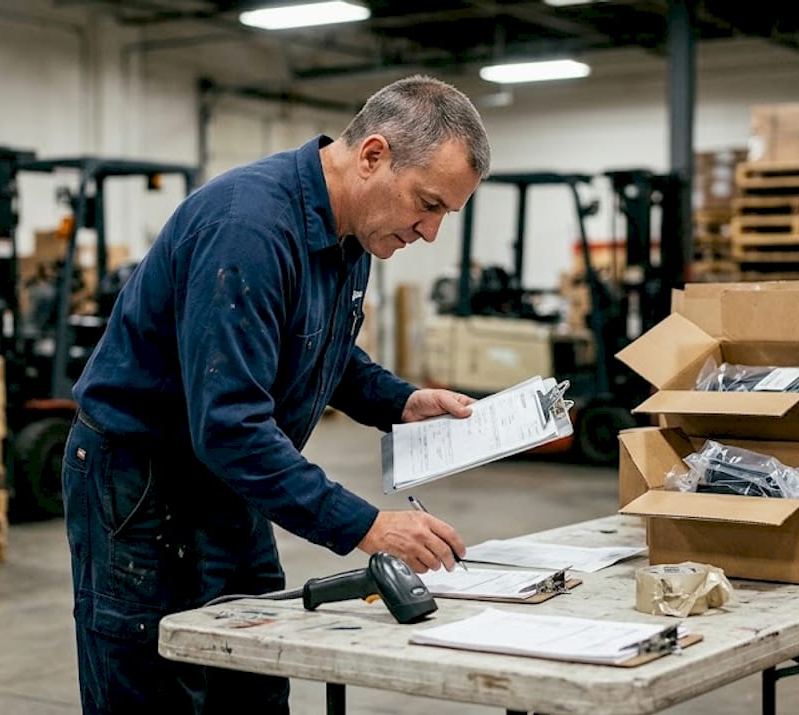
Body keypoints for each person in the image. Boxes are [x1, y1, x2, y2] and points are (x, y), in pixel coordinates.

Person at [62, 74, 491, 713]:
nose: (429, 232)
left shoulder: (356, 233)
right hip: (143, 490)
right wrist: (367, 526)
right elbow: (230, 424)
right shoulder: (250, 228)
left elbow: (322, 347)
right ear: (373, 156)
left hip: (229, 488)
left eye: (444, 215)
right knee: (153, 688)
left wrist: (397, 401)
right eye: (427, 205)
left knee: (255, 681)